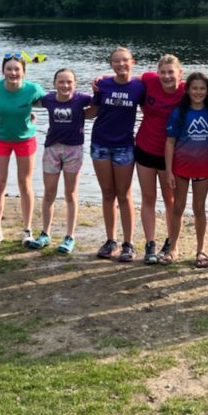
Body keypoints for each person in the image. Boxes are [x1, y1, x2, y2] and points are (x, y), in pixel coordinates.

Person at [30, 68, 95, 254]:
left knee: (71, 193)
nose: (65, 85)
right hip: (52, 149)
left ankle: (69, 236)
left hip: (74, 150)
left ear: (75, 84)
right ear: (54, 84)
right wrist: (29, 118)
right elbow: (26, 101)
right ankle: (45, 233)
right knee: (49, 193)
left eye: (69, 82)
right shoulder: (49, 99)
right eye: (61, 81)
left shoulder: (81, 99)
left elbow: (99, 104)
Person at [0, 52, 46, 247]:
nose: (13, 73)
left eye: (17, 69)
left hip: (25, 140)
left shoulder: (33, 89)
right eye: (9, 69)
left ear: (24, 72)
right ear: (3, 71)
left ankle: (27, 230)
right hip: (0, 139)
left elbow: (55, 101)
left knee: (24, 183)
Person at [91, 47, 146, 263]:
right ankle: (111, 239)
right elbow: (92, 111)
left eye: (125, 61)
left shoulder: (140, 87)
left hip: (124, 146)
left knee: (124, 194)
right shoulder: (103, 85)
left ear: (133, 62)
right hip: (100, 144)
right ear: (111, 63)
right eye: (116, 61)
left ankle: (128, 243)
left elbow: (159, 88)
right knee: (107, 194)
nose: (121, 64)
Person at [133, 55, 185, 264]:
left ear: (180, 74)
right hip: (145, 148)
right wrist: (102, 78)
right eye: (163, 72)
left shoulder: (187, 89)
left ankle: (173, 244)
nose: (166, 76)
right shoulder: (149, 80)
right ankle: (150, 244)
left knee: (170, 200)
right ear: (157, 73)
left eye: (171, 72)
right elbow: (127, 77)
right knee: (148, 198)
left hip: (171, 154)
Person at [164, 72, 208, 267]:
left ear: (207, 91)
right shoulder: (179, 113)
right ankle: (173, 248)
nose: (198, 92)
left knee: (199, 209)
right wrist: (168, 171)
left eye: (202, 88)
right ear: (187, 90)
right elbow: (169, 142)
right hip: (180, 168)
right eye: (194, 88)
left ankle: (200, 250)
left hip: (204, 168)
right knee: (178, 207)